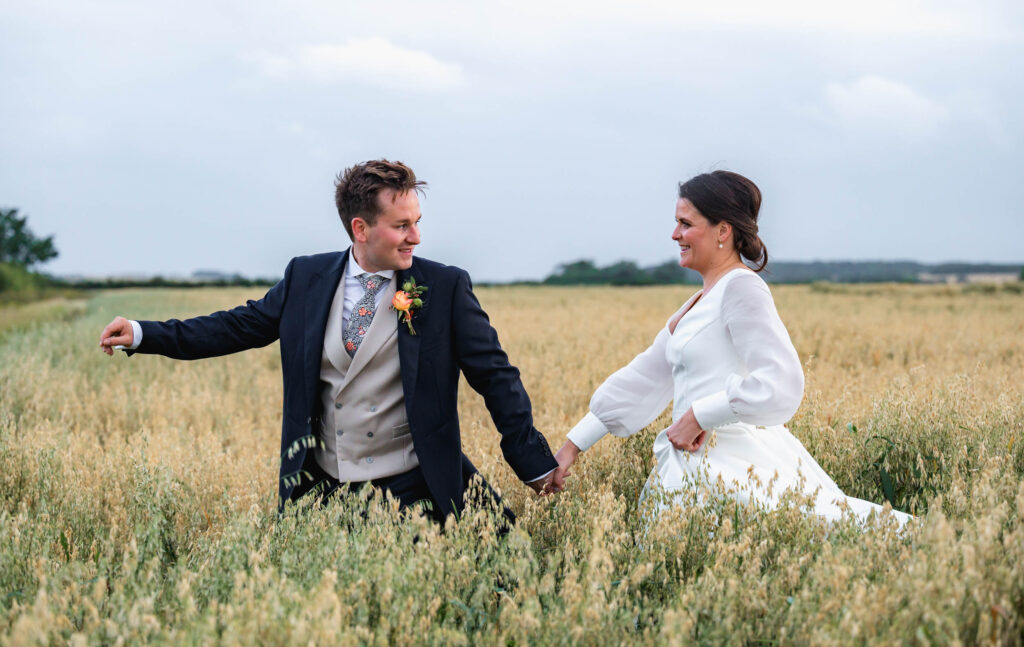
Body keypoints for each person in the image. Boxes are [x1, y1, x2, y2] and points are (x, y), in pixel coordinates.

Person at [99, 159, 564, 523]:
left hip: (416, 484)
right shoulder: (306, 277)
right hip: (322, 491)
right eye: (402, 225)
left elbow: (496, 377)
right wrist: (144, 334)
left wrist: (535, 464)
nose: (416, 237)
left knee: (500, 582)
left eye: (417, 222)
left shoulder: (444, 288)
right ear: (361, 228)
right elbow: (237, 326)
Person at [551, 170, 912, 527]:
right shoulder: (695, 304)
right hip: (691, 461)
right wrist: (571, 448)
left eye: (685, 223)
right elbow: (643, 378)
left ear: (723, 231)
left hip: (736, 464)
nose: (675, 234)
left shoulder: (741, 288)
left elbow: (781, 381)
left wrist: (698, 416)